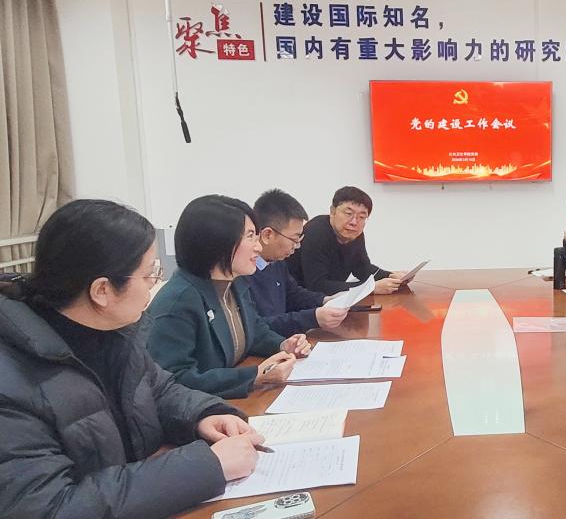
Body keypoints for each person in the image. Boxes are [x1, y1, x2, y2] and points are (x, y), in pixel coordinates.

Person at [0, 199, 264, 517]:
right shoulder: (12, 381)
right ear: (102, 291)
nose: (155, 284)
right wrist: (208, 466)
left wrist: (204, 416)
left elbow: (160, 391)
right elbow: (49, 508)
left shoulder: (114, 332)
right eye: (150, 273)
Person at [147, 195, 312, 398]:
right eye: (250, 236)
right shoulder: (179, 302)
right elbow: (175, 379)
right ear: (217, 242)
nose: (259, 246)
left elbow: (254, 330)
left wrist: (283, 345)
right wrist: (253, 377)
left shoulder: (234, 282)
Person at [249, 189, 348, 336]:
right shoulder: (243, 271)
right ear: (267, 235)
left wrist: (325, 300)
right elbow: (256, 327)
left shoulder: (276, 261)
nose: (297, 246)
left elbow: (293, 295)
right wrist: (313, 318)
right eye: (294, 239)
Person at [288, 186, 407, 295]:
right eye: (348, 213)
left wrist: (391, 276)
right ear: (332, 212)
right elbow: (317, 286)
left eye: (362, 217)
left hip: (329, 302)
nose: (354, 222)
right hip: (298, 303)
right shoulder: (316, 233)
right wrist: (370, 288)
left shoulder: (355, 234)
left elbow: (362, 268)